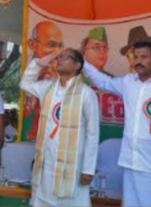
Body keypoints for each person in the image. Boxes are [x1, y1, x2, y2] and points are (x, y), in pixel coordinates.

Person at [82, 39, 151, 207]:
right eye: (136, 57)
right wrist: (83, 63)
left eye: (144, 57)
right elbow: (102, 81)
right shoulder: (127, 82)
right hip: (130, 162)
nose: (138, 61)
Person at [20, 48, 100, 207]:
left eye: (65, 57)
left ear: (77, 65)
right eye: (59, 57)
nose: (59, 59)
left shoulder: (86, 93)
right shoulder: (47, 88)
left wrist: (88, 169)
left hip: (73, 166)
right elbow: (25, 83)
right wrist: (39, 63)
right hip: (46, 161)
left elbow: (93, 133)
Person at [25, 21, 64, 139]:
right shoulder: (31, 74)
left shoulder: (63, 75)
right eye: (51, 44)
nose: (56, 52)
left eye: (60, 46)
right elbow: (27, 111)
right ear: (32, 45)